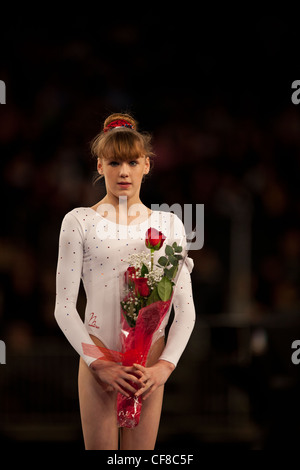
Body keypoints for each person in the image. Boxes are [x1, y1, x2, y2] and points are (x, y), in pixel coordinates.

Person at [54, 113, 196, 450]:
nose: (124, 171)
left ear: (146, 165)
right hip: (99, 357)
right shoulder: (79, 221)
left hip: (147, 362)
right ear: (100, 165)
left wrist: (163, 368)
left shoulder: (169, 224)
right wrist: (99, 364)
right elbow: (63, 308)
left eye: (132, 162)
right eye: (115, 162)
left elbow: (186, 310)